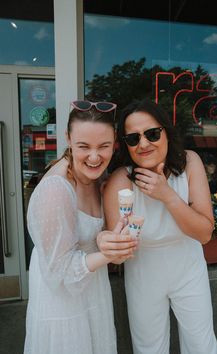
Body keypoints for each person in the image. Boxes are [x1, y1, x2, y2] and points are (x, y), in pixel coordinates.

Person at [97, 99, 217, 354]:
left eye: (152, 134)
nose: (143, 144)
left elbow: (204, 233)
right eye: (133, 138)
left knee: (201, 344)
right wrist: (112, 244)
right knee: (149, 348)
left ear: (166, 131)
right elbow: (116, 256)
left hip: (188, 267)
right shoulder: (122, 180)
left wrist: (167, 195)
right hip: (143, 273)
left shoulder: (190, 162)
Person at [24, 100, 137, 354]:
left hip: (93, 291)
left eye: (104, 146)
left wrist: (113, 239)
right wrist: (108, 254)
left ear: (114, 144)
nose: (95, 157)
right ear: (68, 139)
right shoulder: (56, 189)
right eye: (84, 146)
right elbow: (59, 273)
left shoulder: (100, 179)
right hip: (63, 304)